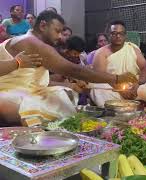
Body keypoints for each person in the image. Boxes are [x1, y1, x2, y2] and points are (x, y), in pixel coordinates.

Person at [0, 11, 136, 126]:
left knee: (63, 92)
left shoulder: (28, 40)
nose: (60, 37)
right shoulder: (32, 42)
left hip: (23, 89)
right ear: (43, 26)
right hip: (8, 93)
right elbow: (73, 70)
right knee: (54, 101)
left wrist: (69, 84)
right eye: (57, 31)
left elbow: (35, 80)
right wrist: (116, 78)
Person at [90, 20, 146, 107]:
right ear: (109, 35)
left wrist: (138, 84)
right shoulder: (101, 53)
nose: (118, 36)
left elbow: (145, 68)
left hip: (134, 86)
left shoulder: (132, 48)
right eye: (114, 33)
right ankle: (119, 108)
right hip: (112, 89)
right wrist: (120, 89)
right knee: (97, 89)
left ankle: (124, 105)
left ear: (125, 35)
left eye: (121, 33)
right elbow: (100, 77)